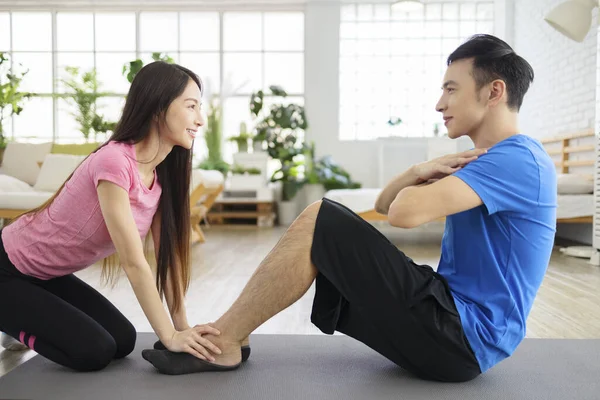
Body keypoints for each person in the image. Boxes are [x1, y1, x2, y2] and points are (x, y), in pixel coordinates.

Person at [142, 34, 557, 381]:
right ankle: (231, 335)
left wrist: (422, 182)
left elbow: (403, 215)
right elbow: (383, 204)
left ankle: (224, 341)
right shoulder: (489, 161)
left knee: (322, 216)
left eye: (451, 88)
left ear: (494, 91)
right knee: (323, 224)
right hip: (451, 324)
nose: (439, 103)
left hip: (461, 335)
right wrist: (418, 170)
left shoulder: (517, 160)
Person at [0, 61, 224, 372]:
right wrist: (168, 336)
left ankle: (23, 315)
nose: (200, 119)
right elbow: (134, 262)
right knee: (94, 351)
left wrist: (181, 326)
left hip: (47, 276)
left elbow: (167, 257)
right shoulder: (115, 162)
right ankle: (12, 322)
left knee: (123, 340)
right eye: (191, 106)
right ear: (159, 107)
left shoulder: (162, 177)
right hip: (7, 269)